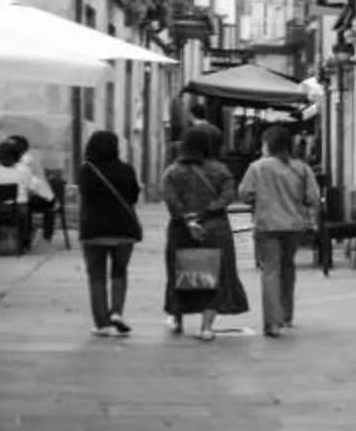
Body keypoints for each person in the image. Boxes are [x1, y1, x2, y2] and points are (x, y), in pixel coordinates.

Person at [157, 125, 249, 340]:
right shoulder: (220, 170)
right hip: (214, 229)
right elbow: (228, 196)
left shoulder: (173, 171)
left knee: (179, 273)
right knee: (213, 276)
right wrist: (208, 211)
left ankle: (177, 319)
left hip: (182, 230)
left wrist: (188, 218)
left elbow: (170, 199)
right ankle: (206, 327)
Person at [241, 123, 323, 339]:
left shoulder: (257, 168)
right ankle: (286, 315)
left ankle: (272, 322)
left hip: (267, 225)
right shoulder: (302, 168)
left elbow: (245, 194)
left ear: (267, 145)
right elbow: (312, 198)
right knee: (287, 267)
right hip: (294, 226)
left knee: (271, 271)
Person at [76, 129, 144, 338]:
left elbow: (84, 195)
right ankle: (116, 312)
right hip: (123, 230)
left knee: (96, 277)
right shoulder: (126, 170)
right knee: (119, 272)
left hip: (93, 230)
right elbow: (133, 196)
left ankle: (101, 323)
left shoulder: (86, 170)